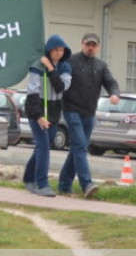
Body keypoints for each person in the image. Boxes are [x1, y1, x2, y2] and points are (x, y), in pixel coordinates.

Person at [59, 32, 120, 199]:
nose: (90, 47)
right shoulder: (71, 61)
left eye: (94, 45)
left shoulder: (101, 65)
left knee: (76, 149)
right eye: (88, 44)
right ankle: (87, 184)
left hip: (89, 113)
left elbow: (111, 82)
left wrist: (114, 94)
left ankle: (64, 185)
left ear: (98, 47)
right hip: (71, 110)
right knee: (80, 146)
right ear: (82, 44)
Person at [23, 35, 72, 197]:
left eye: (61, 50)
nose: (59, 53)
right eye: (56, 50)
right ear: (49, 50)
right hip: (37, 112)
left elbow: (60, 87)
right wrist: (38, 116)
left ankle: (28, 178)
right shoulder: (37, 65)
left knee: (42, 146)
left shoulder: (65, 67)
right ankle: (42, 183)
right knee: (43, 145)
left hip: (53, 113)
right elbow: (32, 92)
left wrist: (51, 69)